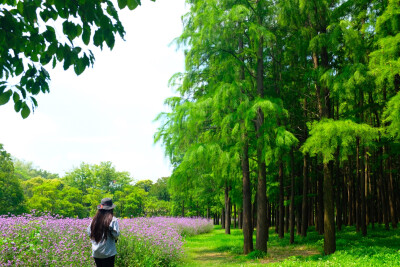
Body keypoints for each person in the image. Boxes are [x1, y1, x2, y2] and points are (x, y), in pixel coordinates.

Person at [87, 198, 120, 267]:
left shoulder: (94, 220)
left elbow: (89, 233)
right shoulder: (113, 220)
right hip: (108, 252)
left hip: (96, 252)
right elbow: (116, 235)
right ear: (111, 208)